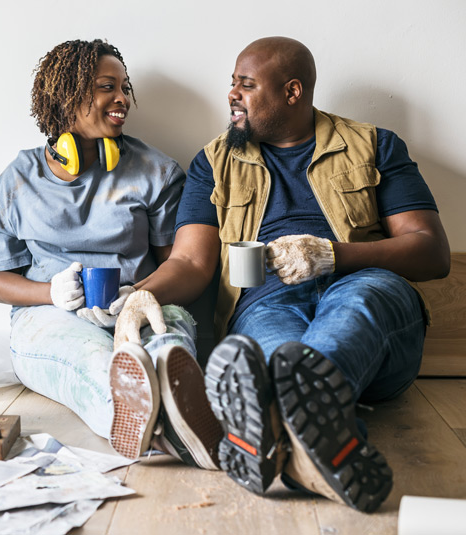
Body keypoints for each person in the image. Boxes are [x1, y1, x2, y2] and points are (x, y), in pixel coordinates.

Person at [115, 36, 450, 513]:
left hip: (366, 287)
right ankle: (316, 441)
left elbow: (432, 252)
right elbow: (190, 262)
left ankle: (270, 424)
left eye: (247, 85)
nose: (232, 94)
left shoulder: (374, 145)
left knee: (353, 309)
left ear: (292, 92)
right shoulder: (214, 163)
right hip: (265, 302)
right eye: (232, 83)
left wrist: (334, 256)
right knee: (270, 353)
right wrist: (138, 296)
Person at [0, 39, 223, 468]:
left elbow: (180, 263)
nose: (122, 99)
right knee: (93, 360)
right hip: (49, 319)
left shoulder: (156, 170)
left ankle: (171, 409)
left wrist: (139, 297)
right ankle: (152, 423)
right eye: (106, 87)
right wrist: (50, 294)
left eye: (124, 87)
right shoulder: (16, 181)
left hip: (142, 300)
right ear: (66, 95)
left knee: (165, 343)